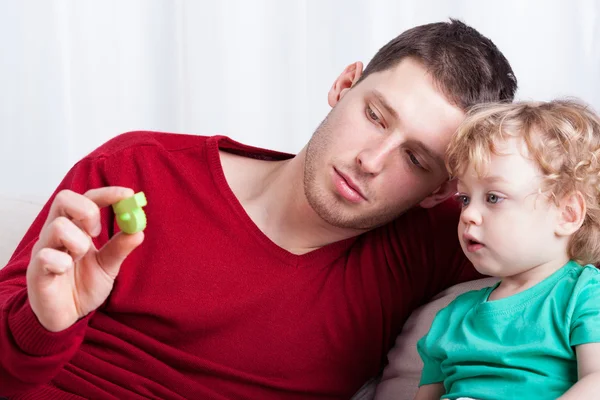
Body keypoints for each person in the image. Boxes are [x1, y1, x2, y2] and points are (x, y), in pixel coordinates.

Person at [0, 20, 517, 399]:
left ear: (441, 190)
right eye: (377, 116)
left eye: (414, 157)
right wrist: (43, 324)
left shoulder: (437, 240)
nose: (370, 160)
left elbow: (577, 226)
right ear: (344, 86)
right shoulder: (140, 170)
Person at [415, 100, 600, 400]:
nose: (467, 215)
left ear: (566, 214)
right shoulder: (451, 318)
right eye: (464, 199)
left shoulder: (584, 294)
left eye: (492, 197)